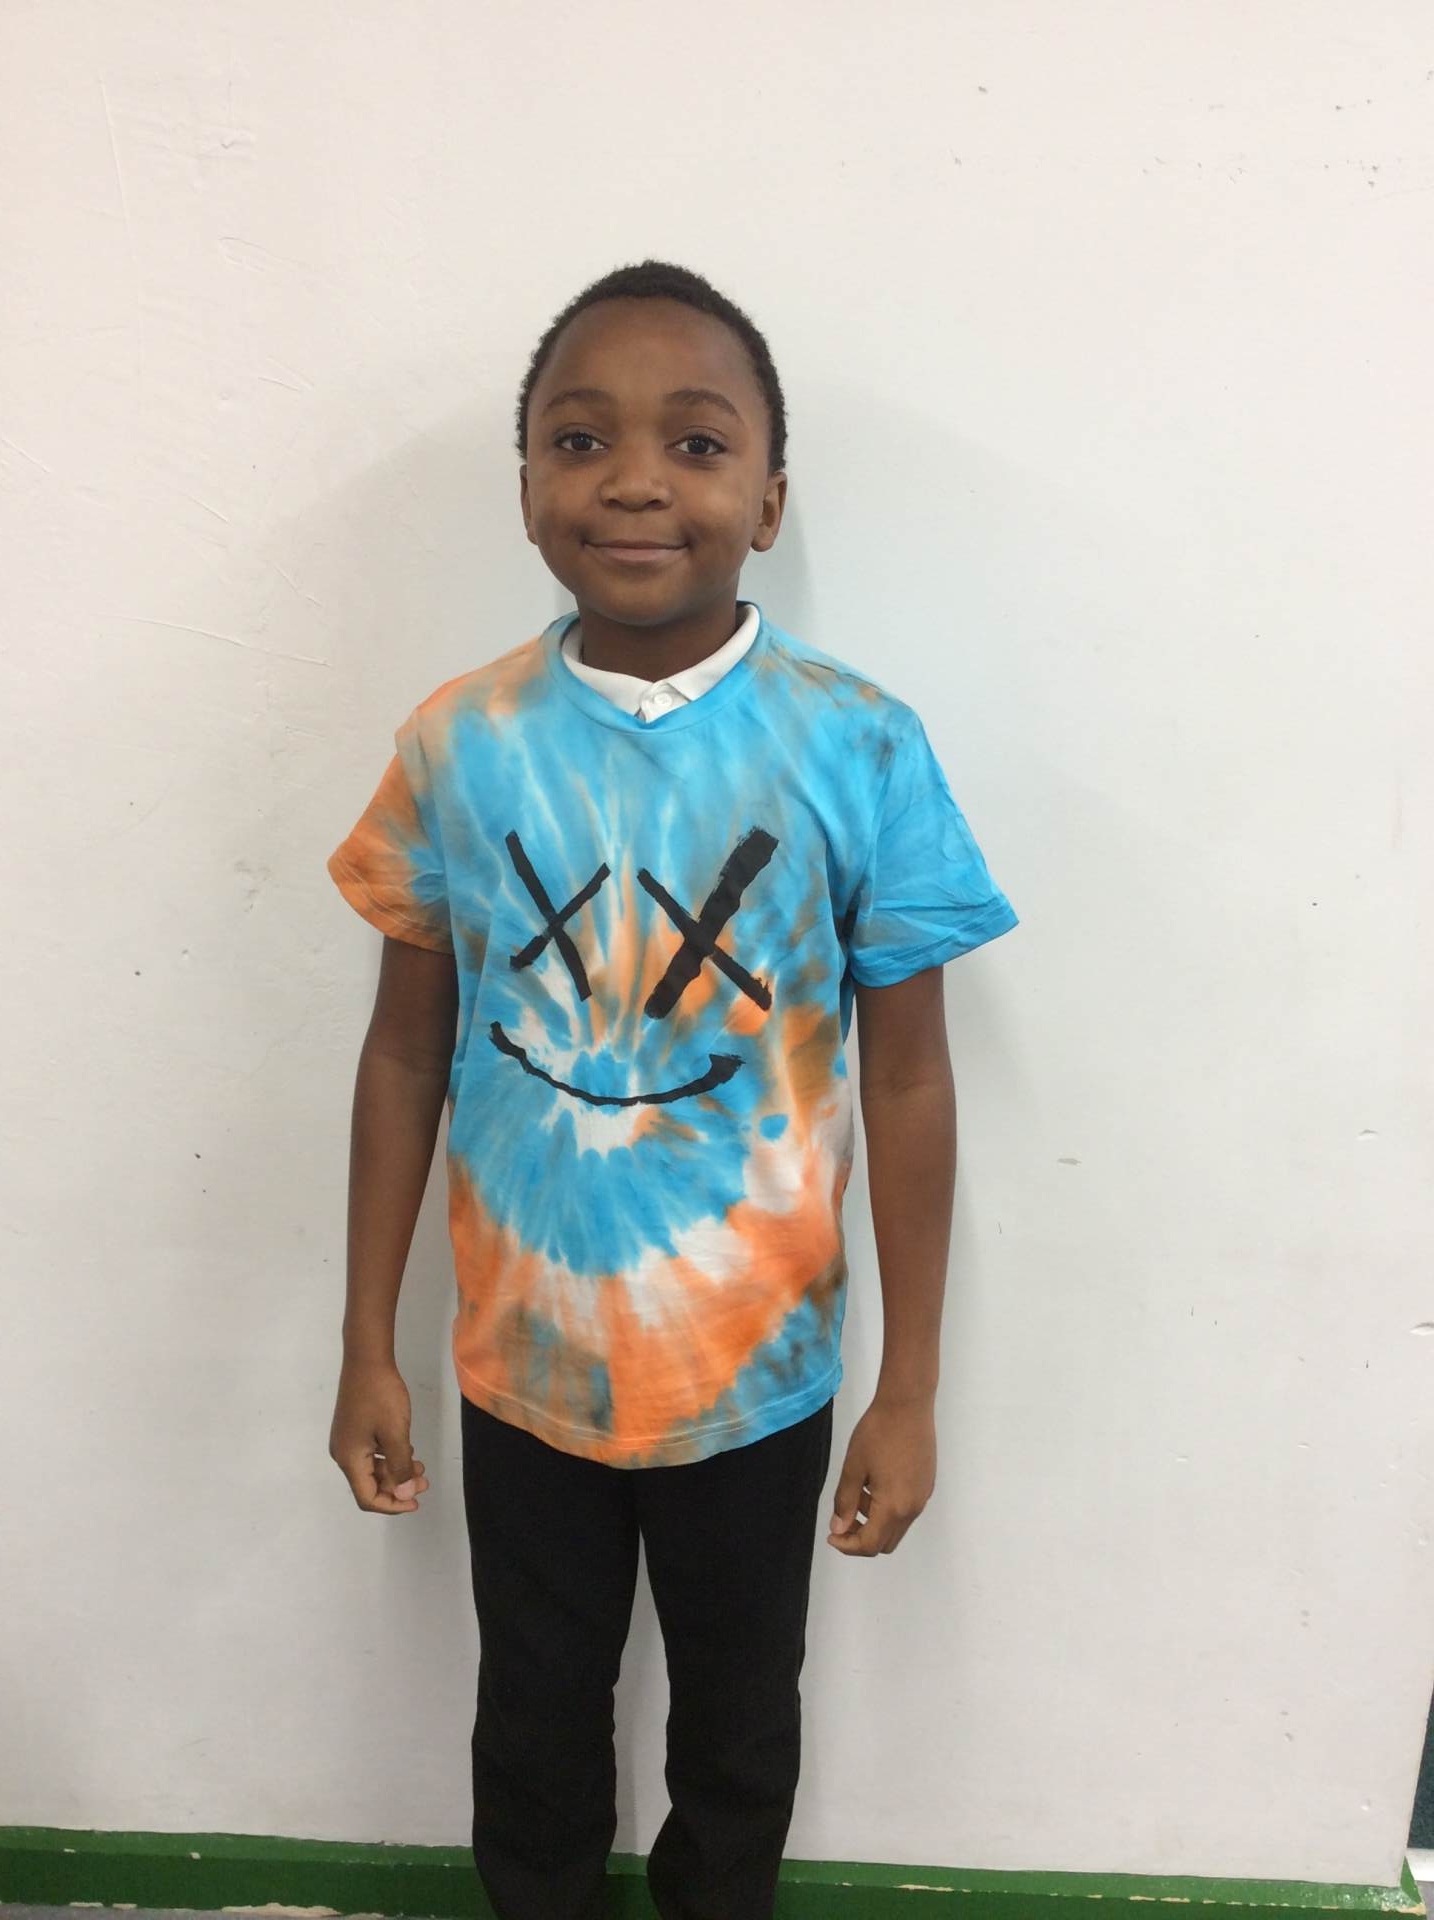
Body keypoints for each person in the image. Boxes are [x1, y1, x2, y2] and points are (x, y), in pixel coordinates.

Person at [325, 258, 1018, 1920]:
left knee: (738, 1730)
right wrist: (365, 1342)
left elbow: (908, 1084)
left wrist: (908, 1387)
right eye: (581, 440)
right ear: (525, 490)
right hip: (523, 1368)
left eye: (696, 444)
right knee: (531, 1721)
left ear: (768, 500)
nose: (635, 480)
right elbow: (406, 1052)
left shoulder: (856, 746)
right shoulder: (457, 745)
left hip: (756, 1380)